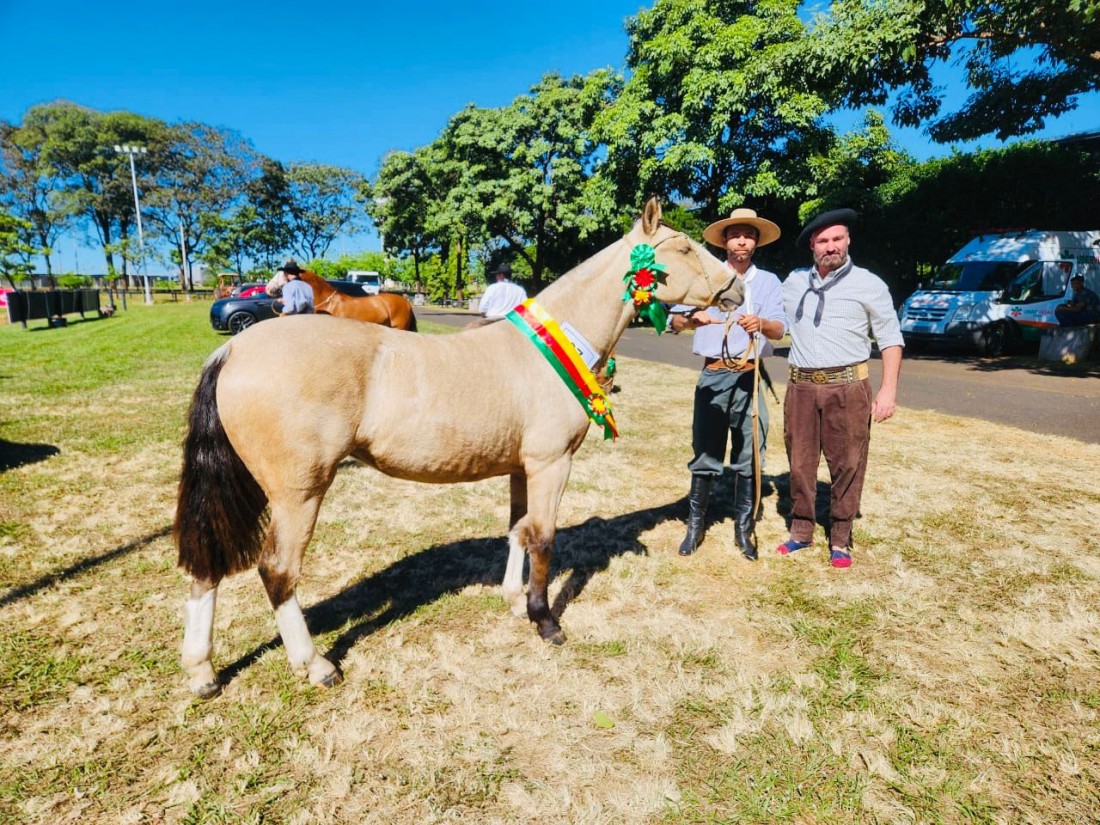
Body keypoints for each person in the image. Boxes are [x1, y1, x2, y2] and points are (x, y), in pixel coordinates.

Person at [778, 208, 904, 569]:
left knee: (848, 462)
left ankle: (840, 537)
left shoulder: (869, 284)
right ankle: (801, 530)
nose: (831, 246)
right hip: (800, 386)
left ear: (848, 240)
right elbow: (772, 320)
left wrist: (888, 390)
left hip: (848, 387)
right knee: (799, 463)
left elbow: (890, 338)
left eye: (837, 239)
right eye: (823, 241)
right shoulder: (793, 282)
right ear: (811, 247)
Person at [669, 208, 787, 560]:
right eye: (735, 234)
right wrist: (693, 319)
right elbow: (673, 322)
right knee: (705, 453)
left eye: (748, 235)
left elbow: (780, 329)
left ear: (756, 242)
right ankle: (695, 527)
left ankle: (743, 530)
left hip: (750, 376)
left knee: (750, 456)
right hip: (713, 375)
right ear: (725, 241)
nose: (742, 241)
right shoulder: (705, 277)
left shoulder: (767, 282)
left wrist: (761, 323)